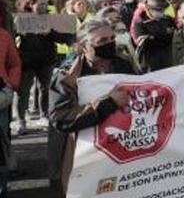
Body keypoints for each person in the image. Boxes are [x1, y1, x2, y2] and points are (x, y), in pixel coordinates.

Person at [48, 18, 136, 194]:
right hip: (84, 158)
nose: (110, 44)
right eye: (102, 41)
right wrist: (108, 104)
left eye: (112, 38)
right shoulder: (67, 75)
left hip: (121, 152)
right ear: (82, 46)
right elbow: (61, 118)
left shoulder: (123, 64)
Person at [15, 0, 73, 134]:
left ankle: (44, 116)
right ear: (31, 4)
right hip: (27, 62)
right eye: (40, 4)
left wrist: (50, 33)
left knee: (44, 89)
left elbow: (67, 38)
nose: (44, 7)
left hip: (46, 60)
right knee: (23, 91)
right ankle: (20, 121)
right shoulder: (21, 19)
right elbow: (12, 37)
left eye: (45, 4)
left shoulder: (52, 19)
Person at [0, 16, 21, 196]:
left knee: (2, 140)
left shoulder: (4, 35)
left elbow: (14, 63)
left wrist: (11, 83)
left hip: (0, 96)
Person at [131, 0, 176, 72]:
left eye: (163, 9)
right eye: (158, 9)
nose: (161, 12)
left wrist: (154, 37)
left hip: (168, 61)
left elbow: (174, 36)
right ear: (148, 8)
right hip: (149, 64)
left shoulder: (167, 19)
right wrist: (163, 35)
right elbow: (143, 43)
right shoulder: (140, 22)